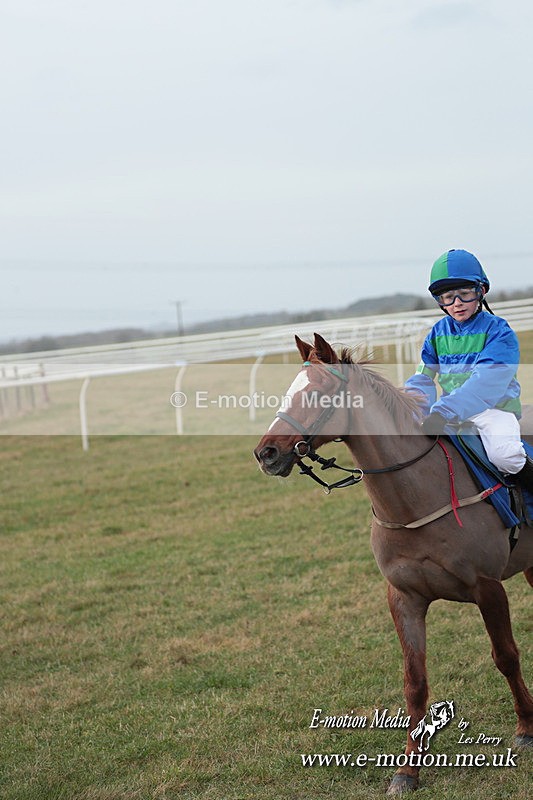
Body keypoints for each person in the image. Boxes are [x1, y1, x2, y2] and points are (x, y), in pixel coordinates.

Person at [405, 248, 533, 491]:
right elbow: (422, 377)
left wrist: (443, 411)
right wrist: (415, 410)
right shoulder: (436, 334)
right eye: (447, 297)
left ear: (481, 291)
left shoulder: (499, 331)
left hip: (493, 409)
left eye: (464, 294)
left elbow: (486, 382)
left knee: (505, 455)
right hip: (450, 412)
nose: (457, 304)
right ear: (439, 301)